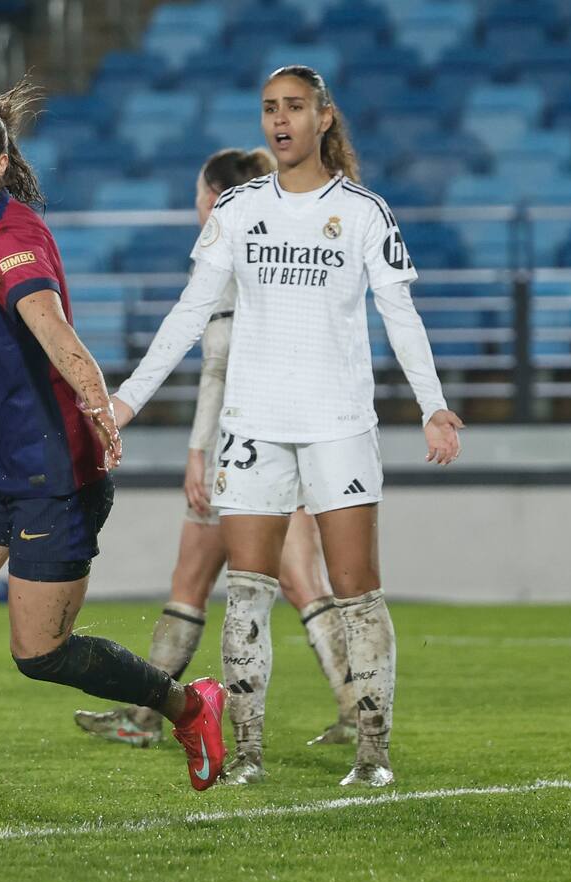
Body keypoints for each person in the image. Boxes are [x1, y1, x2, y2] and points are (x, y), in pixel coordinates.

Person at [0, 81, 227, 841]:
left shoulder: (6, 242)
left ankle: (190, 706)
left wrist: (97, 398)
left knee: (40, 654)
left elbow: (50, 322)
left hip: (52, 475)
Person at [109, 65, 463, 789]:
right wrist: (128, 399)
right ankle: (246, 754)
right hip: (255, 424)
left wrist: (433, 403)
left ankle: (372, 751)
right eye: (270, 108)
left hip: (338, 425)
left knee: (358, 588)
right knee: (246, 591)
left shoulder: (363, 211)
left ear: (324, 117)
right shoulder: (238, 209)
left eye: (295, 107)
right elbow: (188, 312)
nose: (280, 119)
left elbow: (400, 313)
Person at [74, 150, 359, 782]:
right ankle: (352, 706)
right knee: (271, 581)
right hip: (288, 436)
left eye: (201, 194)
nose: (199, 205)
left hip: (246, 448)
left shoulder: (232, 251)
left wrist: (199, 451)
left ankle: (152, 715)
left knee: (217, 582)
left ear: (215, 197)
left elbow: (218, 367)